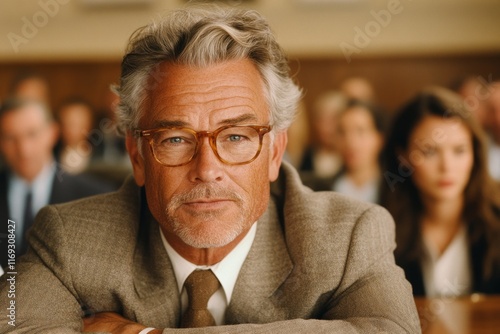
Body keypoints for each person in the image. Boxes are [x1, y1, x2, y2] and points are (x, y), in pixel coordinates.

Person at [0, 7, 420, 333]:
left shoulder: (349, 235)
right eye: (175, 139)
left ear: (275, 152)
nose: (207, 170)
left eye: (236, 137)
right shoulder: (69, 239)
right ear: (137, 156)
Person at [380, 86, 500, 297]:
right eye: (430, 151)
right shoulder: (382, 230)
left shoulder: (496, 219)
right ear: (404, 157)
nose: (447, 167)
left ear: (475, 153)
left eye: (459, 151)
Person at [0, 98, 117, 270]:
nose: (24, 149)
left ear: (53, 133)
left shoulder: (95, 196)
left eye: (32, 134)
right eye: (10, 137)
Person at [305, 99, 386, 204]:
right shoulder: (319, 190)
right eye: (342, 132)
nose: (350, 142)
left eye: (360, 131)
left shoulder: (394, 191)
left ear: (379, 138)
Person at [299, 91, 346, 178]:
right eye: (321, 120)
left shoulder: (349, 158)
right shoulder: (306, 156)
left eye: (333, 119)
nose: (326, 127)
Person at [54, 97, 97, 174]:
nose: (72, 129)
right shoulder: (50, 159)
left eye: (77, 123)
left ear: (89, 124)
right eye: (68, 123)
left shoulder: (101, 158)